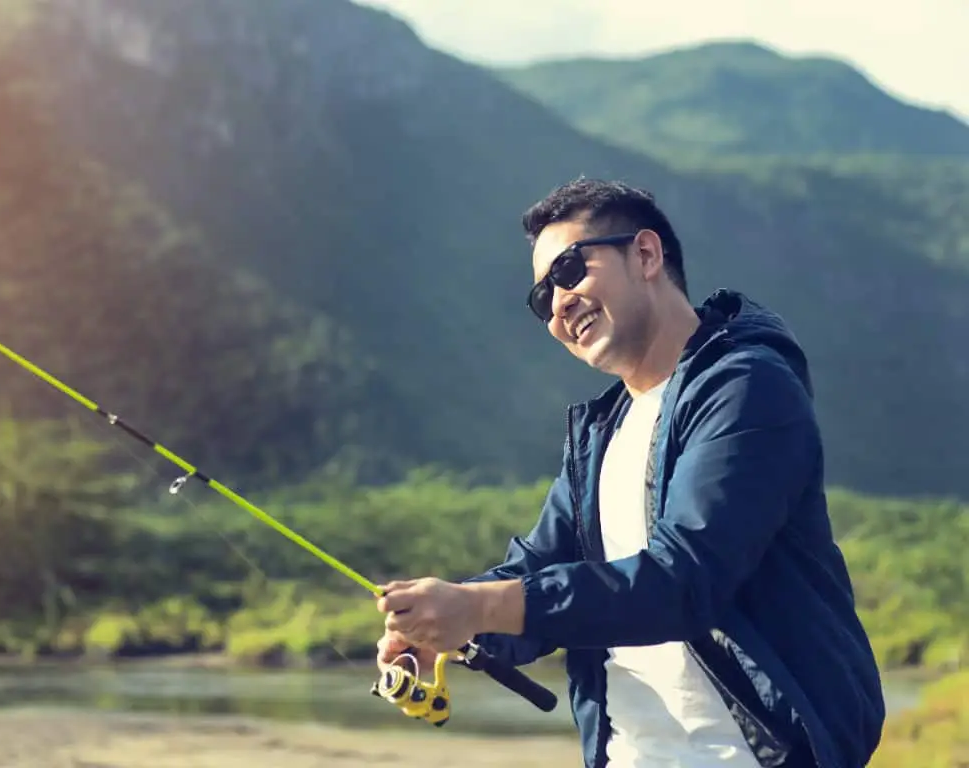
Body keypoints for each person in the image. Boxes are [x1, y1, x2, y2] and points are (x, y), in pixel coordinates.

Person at [375, 178, 885, 768]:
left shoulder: (747, 387)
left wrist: (482, 607)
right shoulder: (602, 434)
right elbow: (539, 573)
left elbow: (684, 581)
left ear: (645, 254)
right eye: (543, 299)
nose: (559, 304)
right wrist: (447, 623)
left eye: (569, 271)